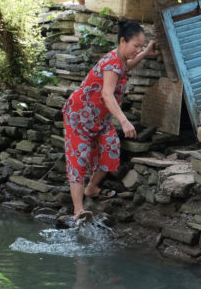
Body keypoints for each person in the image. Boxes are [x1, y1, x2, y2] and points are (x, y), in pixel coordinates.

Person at [62, 20, 157, 222]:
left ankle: (92, 188)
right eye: (136, 46)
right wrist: (123, 120)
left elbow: (127, 66)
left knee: (111, 147)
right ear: (123, 41)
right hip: (79, 115)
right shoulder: (112, 62)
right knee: (79, 158)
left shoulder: (121, 60)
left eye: (141, 45)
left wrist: (145, 53)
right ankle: (78, 210)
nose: (137, 49)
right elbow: (107, 94)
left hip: (100, 118)